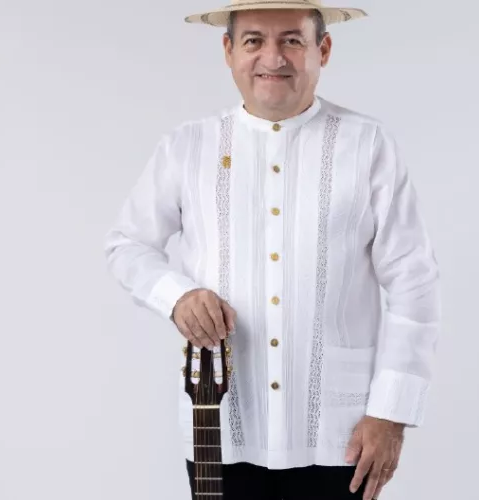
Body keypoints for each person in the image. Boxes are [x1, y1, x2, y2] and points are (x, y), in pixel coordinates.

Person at [103, 1, 442, 498]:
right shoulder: (186, 147)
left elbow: (415, 283)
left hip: (341, 433)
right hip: (219, 422)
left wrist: (391, 412)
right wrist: (177, 296)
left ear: (323, 49)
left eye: (292, 40)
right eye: (254, 41)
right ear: (229, 51)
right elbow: (127, 245)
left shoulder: (368, 146)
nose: (273, 57)